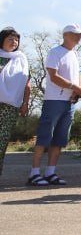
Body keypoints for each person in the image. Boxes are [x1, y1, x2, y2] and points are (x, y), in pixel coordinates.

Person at [29, 24, 81, 187]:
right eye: (75, 34)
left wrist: (78, 89)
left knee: (60, 139)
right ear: (66, 35)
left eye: (80, 34)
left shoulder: (74, 54)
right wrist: (74, 87)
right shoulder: (55, 52)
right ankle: (34, 173)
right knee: (44, 136)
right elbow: (53, 76)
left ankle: (50, 172)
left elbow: (78, 75)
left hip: (69, 102)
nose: (79, 37)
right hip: (54, 100)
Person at [0, 27, 31, 177]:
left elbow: (27, 83)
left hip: (10, 106)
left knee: (2, 141)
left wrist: (25, 103)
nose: (14, 42)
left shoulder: (21, 59)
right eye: (10, 39)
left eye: (16, 39)